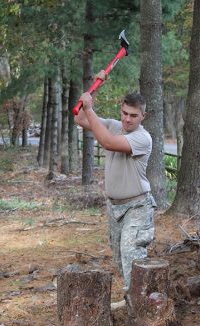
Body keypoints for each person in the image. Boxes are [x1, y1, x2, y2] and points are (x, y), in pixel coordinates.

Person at [74, 71, 156, 290]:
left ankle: (141, 312)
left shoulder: (142, 138)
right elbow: (80, 117)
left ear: (142, 117)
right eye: (124, 113)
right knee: (121, 261)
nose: (127, 119)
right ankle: (135, 301)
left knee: (132, 259)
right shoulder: (113, 125)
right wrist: (95, 87)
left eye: (133, 115)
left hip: (137, 207)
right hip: (115, 208)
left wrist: (90, 108)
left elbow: (108, 142)